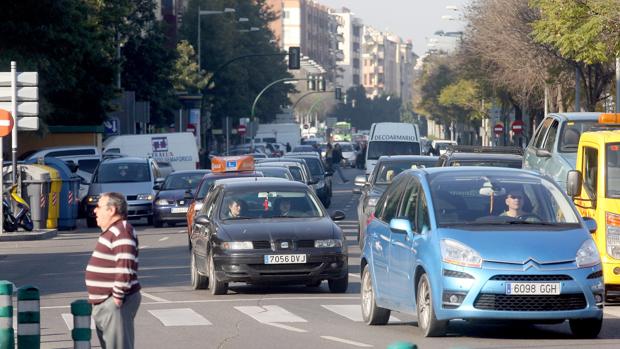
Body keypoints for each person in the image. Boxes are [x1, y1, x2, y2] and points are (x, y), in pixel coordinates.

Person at [86, 192, 141, 349]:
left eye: (99, 207)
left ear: (112, 210)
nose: (95, 211)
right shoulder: (113, 231)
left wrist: (117, 297)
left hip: (114, 302)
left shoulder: (121, 231)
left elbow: (125, 264)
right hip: (107, 301)